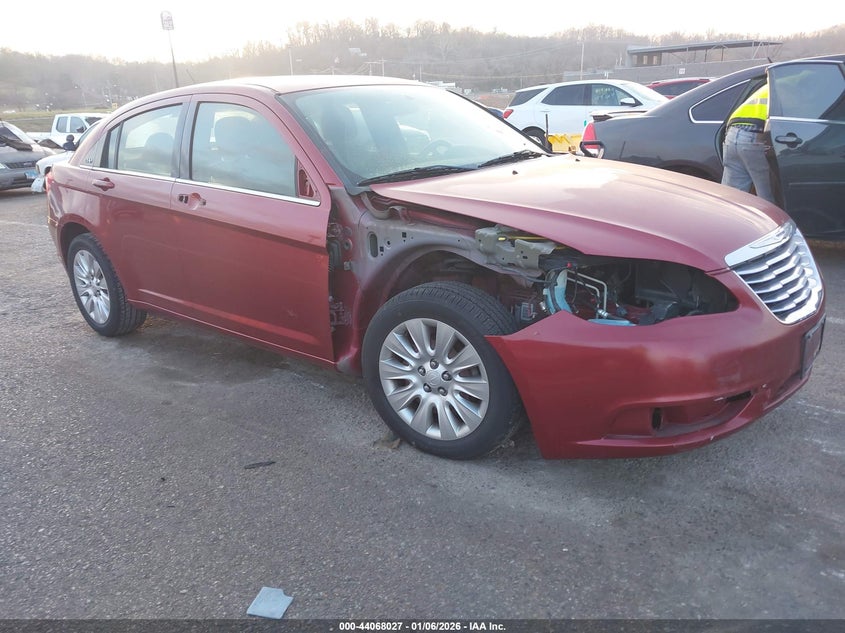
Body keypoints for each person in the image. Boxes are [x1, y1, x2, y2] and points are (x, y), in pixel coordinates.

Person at [720, 83, 777, 205]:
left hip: (732, 134)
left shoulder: (770, 84)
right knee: (768, 203)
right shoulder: (795, 84)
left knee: (732, 201)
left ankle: (726, 224)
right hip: (755, 136)